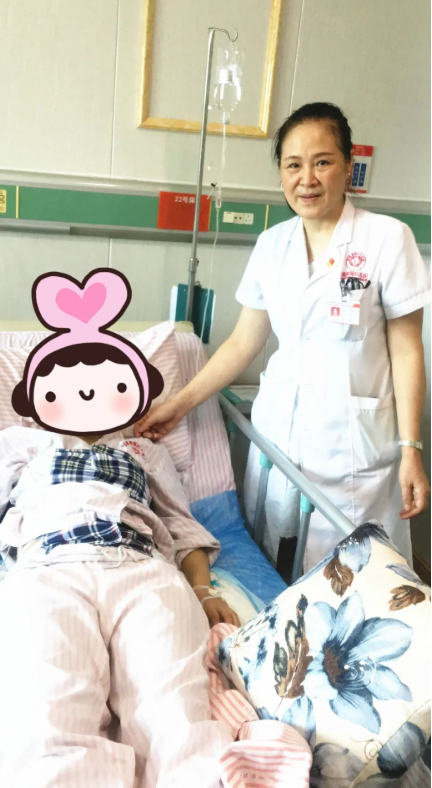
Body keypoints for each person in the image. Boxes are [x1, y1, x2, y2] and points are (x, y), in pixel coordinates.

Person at [136, 102, 431, 570]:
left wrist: (411, 449)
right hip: (279, 434)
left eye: (322, 162)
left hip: (353, 444)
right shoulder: (272, 245)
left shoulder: (387, 239)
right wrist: (179, 404)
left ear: (348, 166)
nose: (306, 179)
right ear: (281, 174)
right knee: (275, 557)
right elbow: (243, 342)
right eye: (293, 165)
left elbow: (408, 348)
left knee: (360, 572)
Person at [0, 269, 239, 788]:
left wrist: (202, 588)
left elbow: (180, 525)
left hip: (142, 567)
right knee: (49, 710)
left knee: (176, 712)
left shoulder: (145, 452)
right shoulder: (21, 445)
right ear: (36, 397)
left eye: (110, 383)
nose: (87, 394)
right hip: (47, 570)